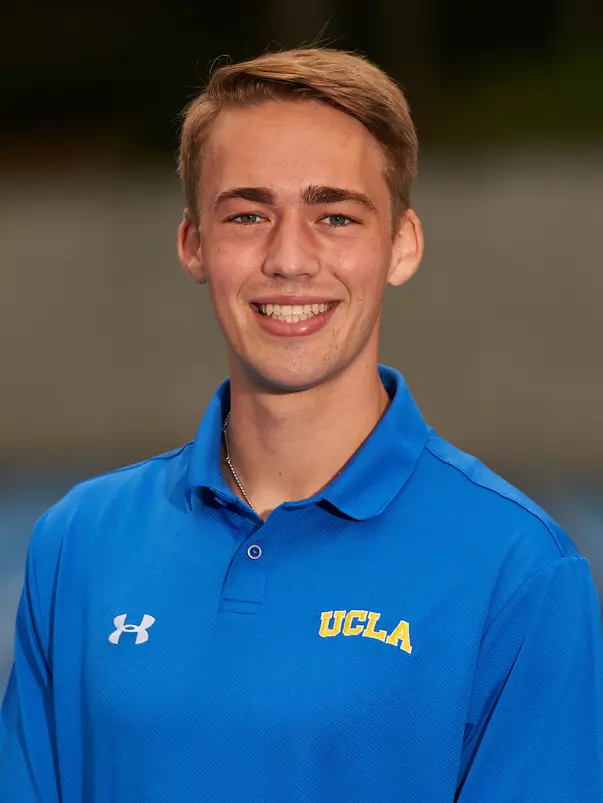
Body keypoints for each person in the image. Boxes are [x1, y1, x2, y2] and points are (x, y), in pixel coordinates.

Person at [1, 47, 602, 803]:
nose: (289, 257)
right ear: (194, 243)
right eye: (248, 214)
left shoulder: (519, 570)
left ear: (402, 244)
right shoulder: (76, 543)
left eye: (335, 215)